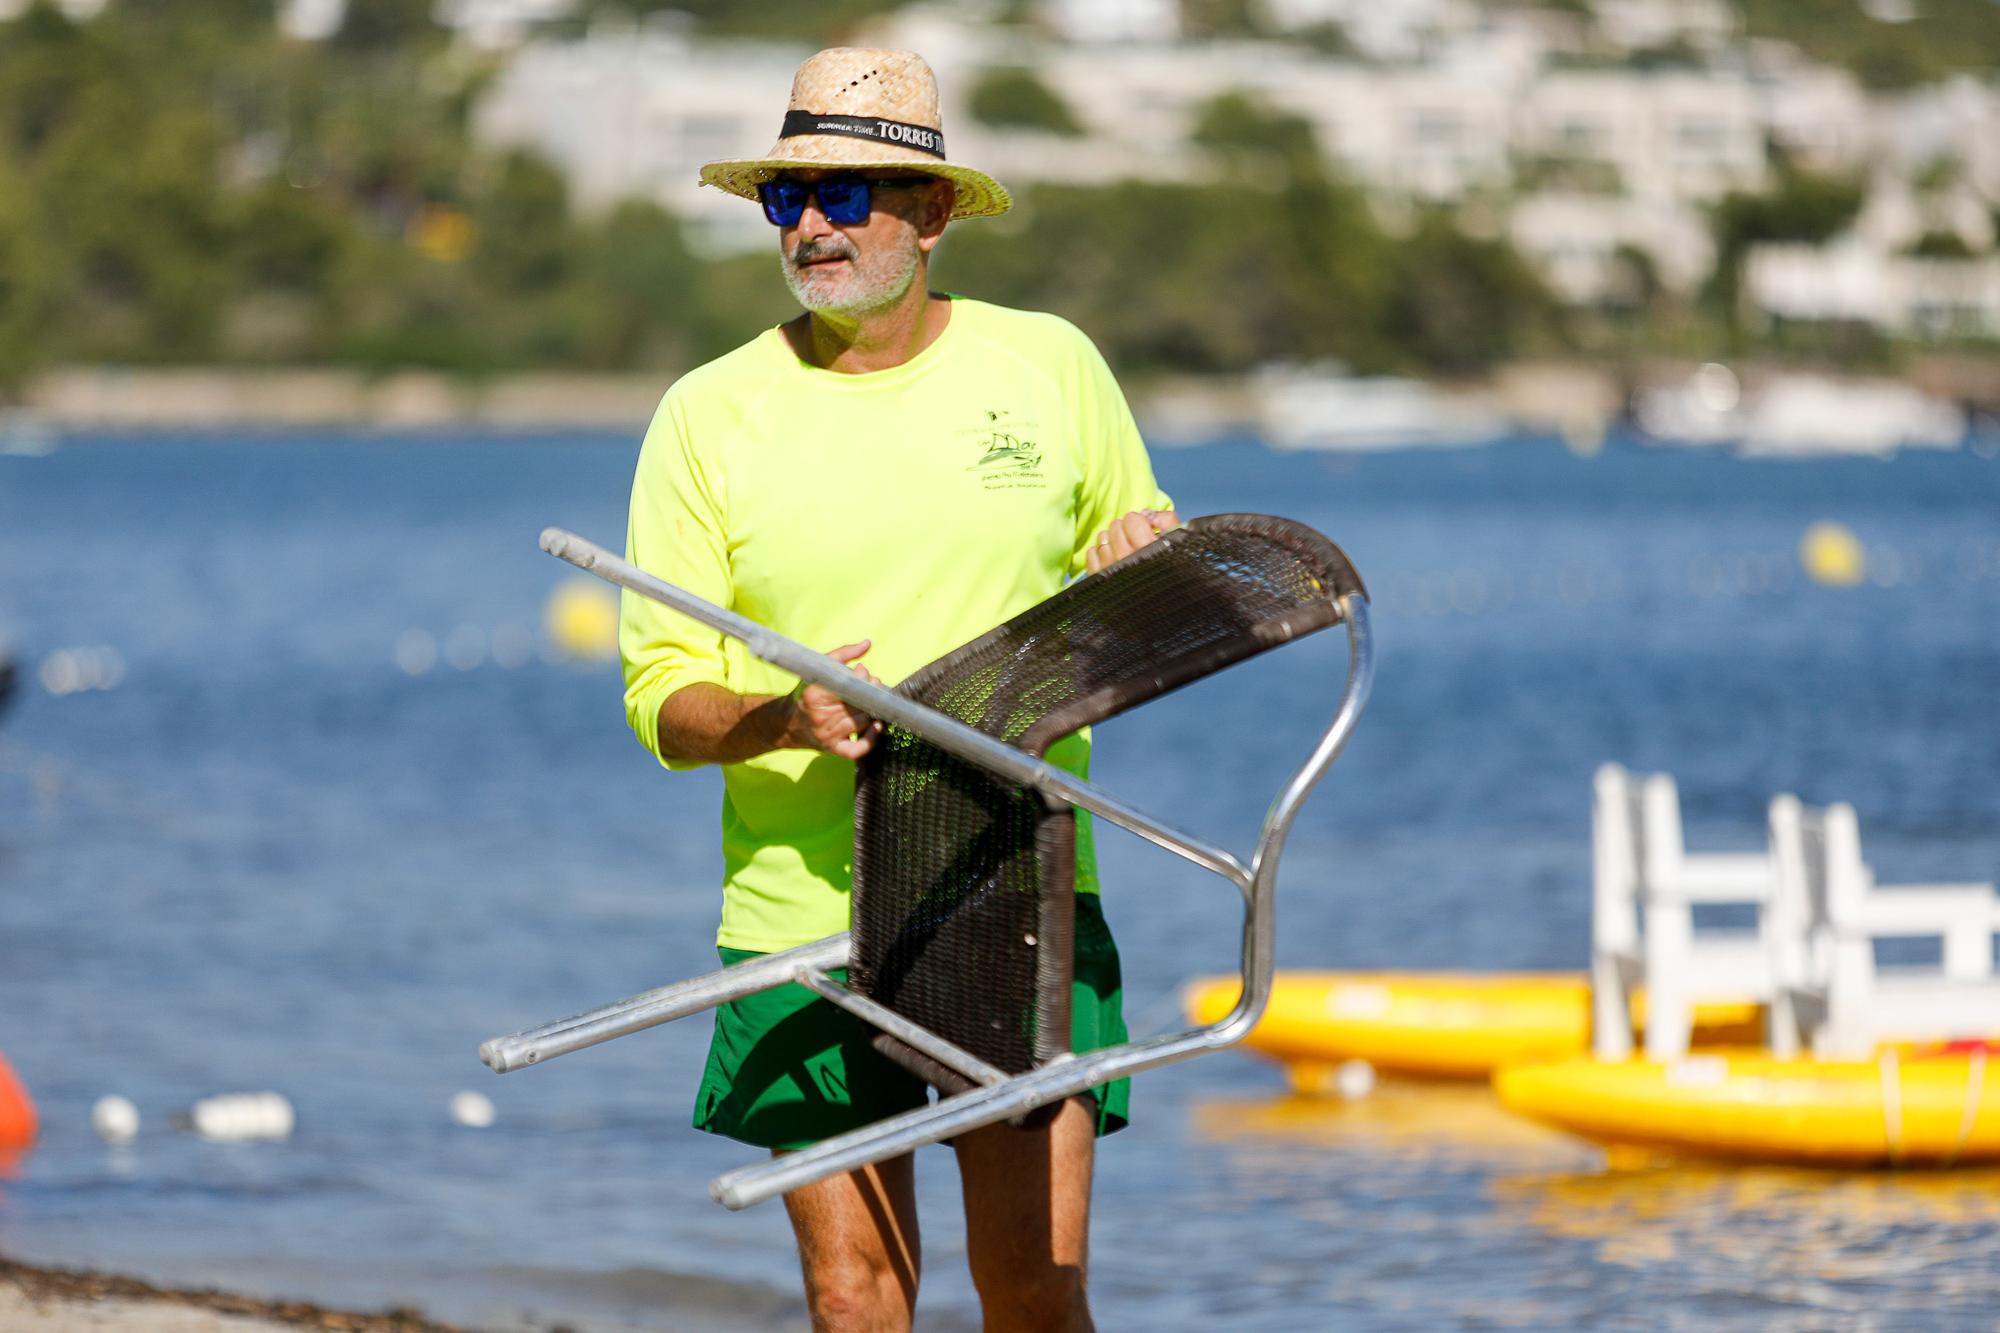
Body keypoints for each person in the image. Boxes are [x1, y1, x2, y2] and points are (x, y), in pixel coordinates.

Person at [618, 47, 1177, 1333]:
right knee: (855, 1294)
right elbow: (661, 699)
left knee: (1034, 1286)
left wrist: (1138, 575)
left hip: (1016, 884)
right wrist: (782, 717)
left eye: (847, 193)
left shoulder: (1050, 367)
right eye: (787, 197)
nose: (812, 224)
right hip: (800, 916)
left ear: (929, 216)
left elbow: (1143, 607)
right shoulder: (707, 415)